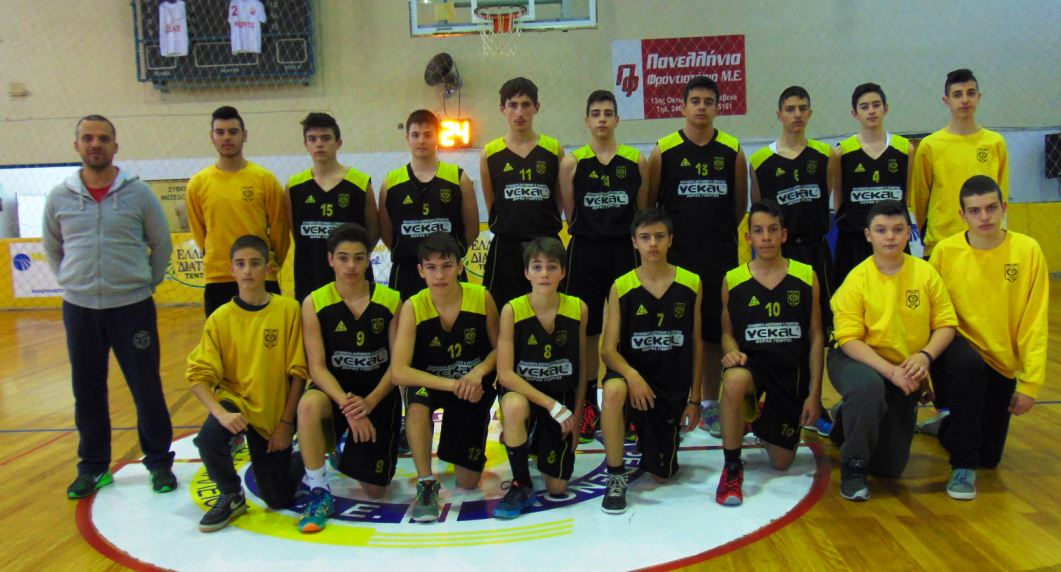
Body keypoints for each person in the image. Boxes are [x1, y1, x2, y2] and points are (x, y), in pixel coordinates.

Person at [43, 115, 176, 499]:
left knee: (146, 388)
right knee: (86, 390)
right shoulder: (60, 196)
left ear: (115, 146)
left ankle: (159, 463)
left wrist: (144, 283)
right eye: (87, 138)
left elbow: (161, 244)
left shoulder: (139, 194)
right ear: (77, 146)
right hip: (80, 309)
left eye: (103, 138)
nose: (95, 144)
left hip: (132, 307)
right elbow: (53, 247)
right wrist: (73, 282)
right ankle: (93, 467)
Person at [926, 176, 1049, 500]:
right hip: (956, 351)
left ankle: (948, 426)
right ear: (962, 215)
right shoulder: (945, 252)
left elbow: (1034, 321)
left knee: (990, 457)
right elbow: (929, 316)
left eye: (991, 208)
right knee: (967, 367)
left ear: (1004, 208)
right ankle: (962, 468)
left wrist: (1030, 384)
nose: (984, 217)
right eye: (975, 211)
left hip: (1001, 362)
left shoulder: (1027, 250)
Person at [827, 200, 956, 501]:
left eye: (898, 230)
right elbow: (849, 340)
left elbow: (946, 324)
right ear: (868, 235)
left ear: (909, 233)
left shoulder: (925, 273)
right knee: (867, 388)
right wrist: (892, 373)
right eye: (881, 230)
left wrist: (924, 357)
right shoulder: (856, 279)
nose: (890, 237)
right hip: (855, 358)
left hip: (903, 367)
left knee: (889, 467)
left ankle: (846, 420)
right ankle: (854, 467)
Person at [646, 76, 747, 437]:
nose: (701, 107)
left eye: (708, 101)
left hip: (718, 256)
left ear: (717, 107)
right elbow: (651, 206)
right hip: (677, 259)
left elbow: (739, 206)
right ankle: (674, 400)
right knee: (675, 332)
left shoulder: (732, 150)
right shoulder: (664, 150)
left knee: (715, 333)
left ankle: (710, 404)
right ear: (683, 106)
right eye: (695, 101)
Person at [187, 235, 308, 532]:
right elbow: (198, 378)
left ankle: (304, 453)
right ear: (231, 269)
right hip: (236, 402)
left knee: (278, 499)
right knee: (208, 438)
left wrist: (286, 424)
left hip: (273, 411)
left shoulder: (288, 310)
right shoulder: (220, 319)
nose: (247, 271)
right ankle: (231, 494)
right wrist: (221, 414)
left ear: (268, 268)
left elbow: (299, 374)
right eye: (240, 264)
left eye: (255, 263)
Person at [295, 223, 402, 532]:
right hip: (335, 393)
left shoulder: (391, 300)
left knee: (375, 491)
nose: (351, 266)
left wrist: (368, 403)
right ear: (330, 260)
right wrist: (349, 407)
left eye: (358, 257)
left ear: (369, 259)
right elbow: (317, 368)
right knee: (308, 405)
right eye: (343, 258)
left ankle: (341, 452)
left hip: (377, 395)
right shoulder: (314, 302)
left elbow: (397, 366)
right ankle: (318, 490)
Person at [715, 200, 823, 506]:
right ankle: (732, 467)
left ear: (783, 235)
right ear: (748, 237)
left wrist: (815, 394)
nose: (766, 237)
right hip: (753, 369)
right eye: (759, 231)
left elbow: (816, 336)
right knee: (734, 379)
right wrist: (731, 352)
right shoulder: (733, 279)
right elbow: (726, 334)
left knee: (781, 462)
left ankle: (756, 419)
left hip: (791, 372)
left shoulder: (806, 276)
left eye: (773, 230)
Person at [599, 209, 703, 514]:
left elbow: (697, 345)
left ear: (671, 240)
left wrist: (695, 400)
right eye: (645, 237)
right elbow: (607, 350)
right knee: (613, 389)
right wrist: (632, 376)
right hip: (633, 382)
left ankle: (651, 438)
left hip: (670, 387)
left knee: (662, 476)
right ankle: (615, 475)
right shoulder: (622, 285)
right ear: (634, 242)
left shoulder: (691, 282)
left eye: (659, 236)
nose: (653, 243)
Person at [391, 233, 499, 523]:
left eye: (447, 266)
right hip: (433, 384)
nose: (440, 275)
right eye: (432, 267)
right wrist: (453, 384)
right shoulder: (413, 306)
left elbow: (500, 349)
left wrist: (478, 373)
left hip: (472, 386)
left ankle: (459, 445)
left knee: (468, 482)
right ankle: (426, 483)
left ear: (460, 267)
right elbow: (399, 371)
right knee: (416, 407)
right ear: (420, 271)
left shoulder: (481, 297)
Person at [559, 89, 647, 443]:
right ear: (586, 120)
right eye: (596, 113)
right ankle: (587, 405)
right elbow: (569, 212)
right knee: (586, 327)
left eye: (608, 113)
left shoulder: (635, 160)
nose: (602, 119)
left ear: (617, 119)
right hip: (585, 250)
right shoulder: (572, 162)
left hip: (625, 250)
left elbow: (642, 210)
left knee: (628, 326)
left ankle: (630, 405)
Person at [493, 238, 588, 519]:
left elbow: (582, 370)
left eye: (552, 267)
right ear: (527, 273)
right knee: (513, 406)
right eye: (537, 267)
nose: (544, 274)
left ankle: (535, 439)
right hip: (525, 394)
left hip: (560, 395)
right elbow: (505, 374)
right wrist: (551, 405)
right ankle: (521, 483)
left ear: (563, 272)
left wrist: (577, 417)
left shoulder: (578, 308)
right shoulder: (512, 310)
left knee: (557, 487)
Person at [186, 106, 290, 316]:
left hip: (262, 277)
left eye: (233, 132)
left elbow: (280, 229)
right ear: (212, 137)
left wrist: (268, 263)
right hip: (218, 278)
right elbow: (200, 233)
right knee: (222, 337)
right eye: (220, 132)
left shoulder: (265, 180)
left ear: (245, 136)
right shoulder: (197, 184)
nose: (227, 137)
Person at [480, 77, 564, 308]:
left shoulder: (554, 149)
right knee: (501, 310)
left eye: (526, 104)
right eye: (513, 105)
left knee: (551, 310)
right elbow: (492, 202)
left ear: (536, 107)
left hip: (546, 243)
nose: (519, 112)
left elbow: (559, 200)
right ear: (502, 109)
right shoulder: (490, 153)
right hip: (506, 247)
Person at [379, 109, 479, 300]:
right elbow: (386, 234)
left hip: (447, 271)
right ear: (407, 138)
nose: (421, 140)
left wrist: (447, 257)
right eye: (415, 135)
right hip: (407, 272)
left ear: (438, 137)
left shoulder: (458, 178)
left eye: (428, 134)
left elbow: (472, 229)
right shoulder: (391, 182)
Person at [910, 68, 1009, 258]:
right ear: (946, 100)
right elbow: (919, 201)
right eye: (957, 94)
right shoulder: (930, 145)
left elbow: (1001, 194)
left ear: (979, 97)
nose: (965, 100)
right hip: (942, 243)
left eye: (970, 93)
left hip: (986, 241)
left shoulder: (995, 143)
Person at [286, 112, 379, 303]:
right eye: (312, 139)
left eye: (326, 138)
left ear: (338, 143)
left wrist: (352, 257)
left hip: (352, 274)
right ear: (306, 144)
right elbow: (295, 231)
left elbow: (373, 230)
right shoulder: (294, 186)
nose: (319, 144)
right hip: (310, 272)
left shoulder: (360, 183)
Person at [830, 83, 915, 290]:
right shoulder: (842, 152)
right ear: (854, 113)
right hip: (854, 238)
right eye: (864, 106)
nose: (871, 111)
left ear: (886, 108)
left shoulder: (905, 149)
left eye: (876, 105)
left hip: (892, 238)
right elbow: (838, 198)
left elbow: (907, 195)